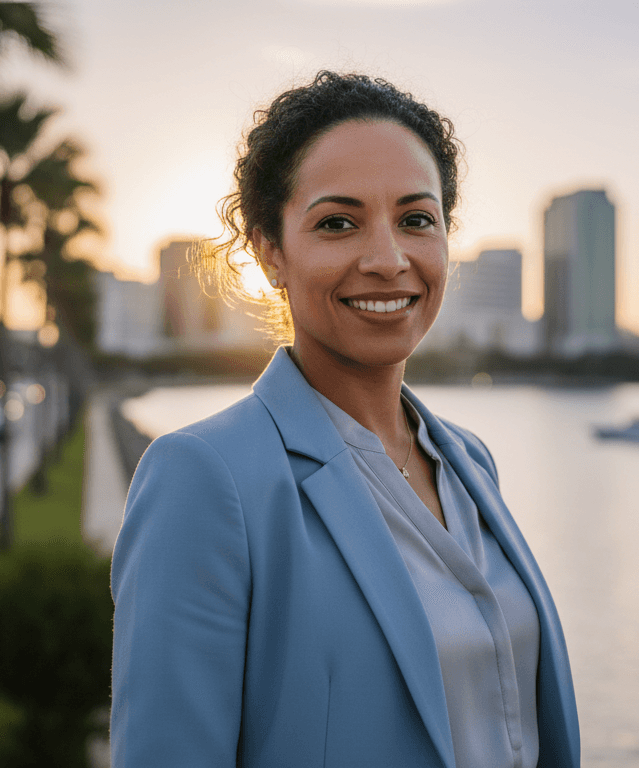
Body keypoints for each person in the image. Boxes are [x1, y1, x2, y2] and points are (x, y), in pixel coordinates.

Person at [110, 71, 579, 768]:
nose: (388, 260)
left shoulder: (470, 463)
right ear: (272, 250)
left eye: (417, 219)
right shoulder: (205, 479)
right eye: (337, 223)